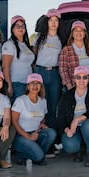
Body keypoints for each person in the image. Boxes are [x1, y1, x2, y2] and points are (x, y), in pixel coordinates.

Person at [56, 65, 89, 167]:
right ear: (74, 79)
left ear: (88, 78)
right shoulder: (67, 95)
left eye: (84, 77)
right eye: (78, 77)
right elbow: (60, 118)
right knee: (70, 146)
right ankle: (79, 149)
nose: (81, 80)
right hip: (75, 129)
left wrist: (77, 119)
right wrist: (66, 130)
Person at [32, 9, 64, 148]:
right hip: (41, 72)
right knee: (41, 105)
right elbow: (34, 56)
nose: (53, 23)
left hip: (55, 73)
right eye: (51, 20)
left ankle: (53, 139)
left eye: (56, 21)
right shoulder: (39, 37)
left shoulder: (61, 39)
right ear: (47, 22)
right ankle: (40, 136)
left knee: (53, 106)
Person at [11, 73, 57, 166]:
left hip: (35, 133)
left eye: (38, 83)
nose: (35, 86)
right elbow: (14, 121)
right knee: (39, 157)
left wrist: (42, 125)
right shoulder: (20, 100)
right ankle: (22, 154)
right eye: (32, 83)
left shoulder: (43, 101)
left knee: (51, 133)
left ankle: (33, 153)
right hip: (21, 135)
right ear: (27, 86)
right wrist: (27, 136)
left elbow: (42, 119)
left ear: (41, 86)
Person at [59, 20, 89, 91]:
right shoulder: (66, 50)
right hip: (75, 83)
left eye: (81, 30)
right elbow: (63, 70)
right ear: (72, 33)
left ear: (85, 33)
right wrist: (69, 86)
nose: (79, 33)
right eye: (76, 30)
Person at [2, 15, 35, 98]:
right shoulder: (9, 44)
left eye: (22, 26)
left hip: (28, 84)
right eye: (17, 26)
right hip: (16, 84)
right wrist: (9, 85)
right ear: (12, 29)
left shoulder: (26, 45)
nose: (21, 28)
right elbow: (5, 66)